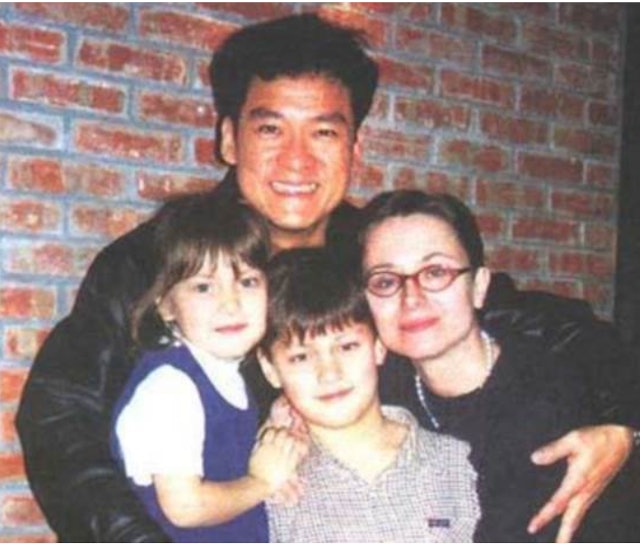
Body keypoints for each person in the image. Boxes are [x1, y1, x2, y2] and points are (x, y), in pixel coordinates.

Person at [15, 13, 638, 543]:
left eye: (323, 132)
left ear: (354, 149)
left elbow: (548, 324)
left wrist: (623, 424)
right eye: (270, 129)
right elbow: (59, 418)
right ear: (229, 139)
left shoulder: (373, 254)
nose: (296, 160)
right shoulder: (162, 262)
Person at [357, 189, 640, 542]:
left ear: (479, 287)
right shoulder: (374, 392)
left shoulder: (553, 397)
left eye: (435, 272)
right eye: (385, 281)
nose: (411, 298)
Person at [109, 195, 305, 542]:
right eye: (203, 287)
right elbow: (185, 507)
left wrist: (270, 436)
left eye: (247, 281)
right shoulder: (170, 388)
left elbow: (221, 461)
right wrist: (260, 483)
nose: (230, 304)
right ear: (166, 304)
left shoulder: (223, 371)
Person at [257, 248, 479, 542]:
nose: (329, 373)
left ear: (378, 346)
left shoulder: (458, 462)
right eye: (301, 357)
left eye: (347, 346)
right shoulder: (265, 486)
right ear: (270, 368)